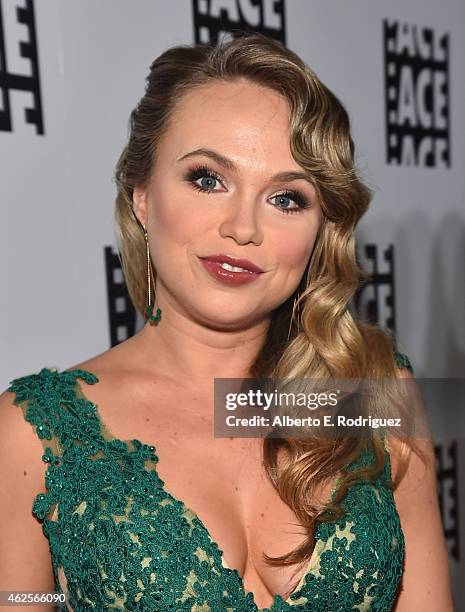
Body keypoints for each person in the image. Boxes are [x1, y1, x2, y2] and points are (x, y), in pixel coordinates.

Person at [0, 33, 453, 611]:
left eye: (287, 198)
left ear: (321, 228)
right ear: (141, 194)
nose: (243, 228)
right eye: (208, 179)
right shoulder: (32, 433)